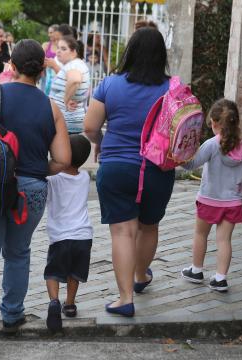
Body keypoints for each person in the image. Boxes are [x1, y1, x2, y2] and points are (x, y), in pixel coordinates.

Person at [0, 39, 71, 357]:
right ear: (41, 71)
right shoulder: (50, 107)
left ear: (11, 65)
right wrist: (36, 169)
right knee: (18, 252)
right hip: (31, 190)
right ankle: (12, 315)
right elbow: (63, 159)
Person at [83, 28, 173, 317]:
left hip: (117, 167)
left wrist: (101, 143)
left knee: (122, 232)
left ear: (130, 52)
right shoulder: (174, 89)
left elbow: (90, 128)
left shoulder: (110, 85)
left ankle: (124, 299)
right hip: (157, 169)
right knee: (149, 226)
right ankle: (140, 277)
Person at [180, 99, 242, 292]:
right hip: (233, 203)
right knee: (224, 241)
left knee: (200, 234)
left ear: (214, 123)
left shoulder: (212, 145)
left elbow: (191, 164)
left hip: (208, 200)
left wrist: (179, 154)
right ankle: (220, 278)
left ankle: (196, 270)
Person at [44, 134, 93, 332]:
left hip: (60, 236)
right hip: (83, 235)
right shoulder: (85, 177)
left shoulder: (52, 179)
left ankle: (54, 302)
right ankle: (70, 304)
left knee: (53, 272)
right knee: (75, 272)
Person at [49, 35, 89, 134]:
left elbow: (75, 80)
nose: (58, 51)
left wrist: (66, 101)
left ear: (74, 51)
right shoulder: (76, 64)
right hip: (68, 120)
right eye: (58, 48)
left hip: (65, 122)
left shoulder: (74, 65)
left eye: (63, 49)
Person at [40, 24, 60, 95]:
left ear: (57, 32)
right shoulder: (46, 45)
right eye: (48, 33)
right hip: (46, 76)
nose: (49, 35)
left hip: (57, 76)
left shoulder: (61, 46)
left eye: (51, 32)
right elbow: (40, 59)